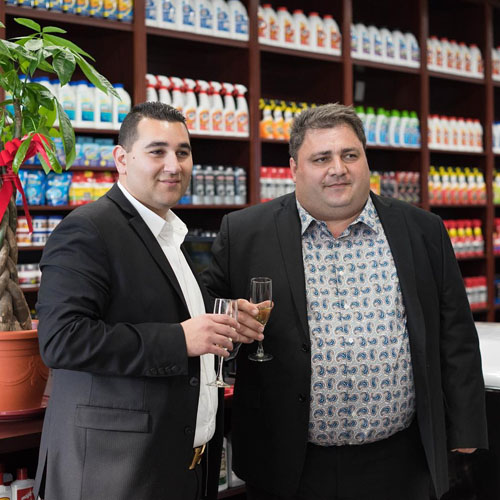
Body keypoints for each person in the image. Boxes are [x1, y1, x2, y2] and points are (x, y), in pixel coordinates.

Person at [202, 103, 488, 500]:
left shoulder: (423, 229)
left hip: (401, 460)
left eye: (349, 155)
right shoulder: (245, 232)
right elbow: (205, 308)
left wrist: (466, 428)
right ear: (294, 168)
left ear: (365, 159)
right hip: (287, 463)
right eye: (321, 158)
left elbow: (455, 333)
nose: (338, 168)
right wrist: (230, 317)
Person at [33, 102, 258, 500]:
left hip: (180, 467)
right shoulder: (87, 229)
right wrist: (180, 339)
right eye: (157, 151)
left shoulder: (169, 233)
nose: (174, 165)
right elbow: (62, 339)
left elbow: (169, 313)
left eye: (183, 152)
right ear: (122, 159)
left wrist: (224, 321)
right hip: (114, 473)